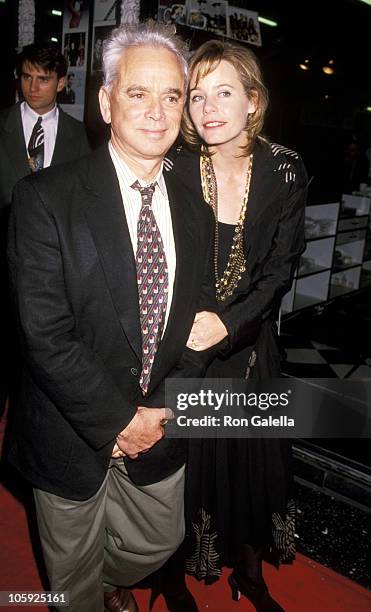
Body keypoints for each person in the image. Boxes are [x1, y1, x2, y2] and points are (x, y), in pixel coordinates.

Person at [7, 23, 218, 612]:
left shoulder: (195, 208)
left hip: (159, 421)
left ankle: (109, 576)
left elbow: (203, 320)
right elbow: (44, 335)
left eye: (172, 96)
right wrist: (118, 420)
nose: (157, 112)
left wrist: (168, 406)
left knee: (159, 539)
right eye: (137, 93)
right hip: (71, 428)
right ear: (106, 101)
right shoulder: (45, 198)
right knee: (68, 584)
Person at [166, 40, 307, 611]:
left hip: (249, 350)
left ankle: (248, 573)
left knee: (251, 463)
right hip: (184, 345)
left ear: (253, 100)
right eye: (197, 96)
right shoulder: (174, 165)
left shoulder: (284, 169)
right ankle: (168, 574)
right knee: (183, 466)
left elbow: (280, 270)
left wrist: (228, 325)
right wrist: (195, 329)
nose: (209, 109)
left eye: (224, 92)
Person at [0, 44, 89, 414]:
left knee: (38, 371)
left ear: (62, 83)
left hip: (53, 272)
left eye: (44, 79)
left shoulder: (78, 136)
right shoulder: (0, 123)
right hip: (1, 265)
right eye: (26, 77)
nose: (33, 86)